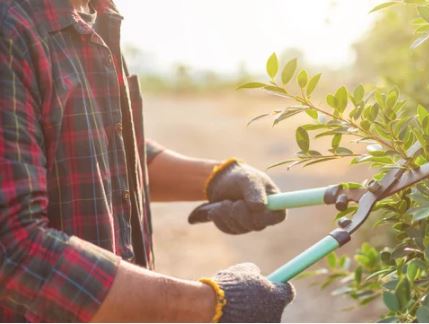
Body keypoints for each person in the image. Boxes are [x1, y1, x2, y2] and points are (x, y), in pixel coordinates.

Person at [0, 0, 294, 321]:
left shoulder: (94, 15)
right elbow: (13, 249)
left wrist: (216, 178)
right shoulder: (11, 31)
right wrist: (204, 303)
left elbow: (104, 147)